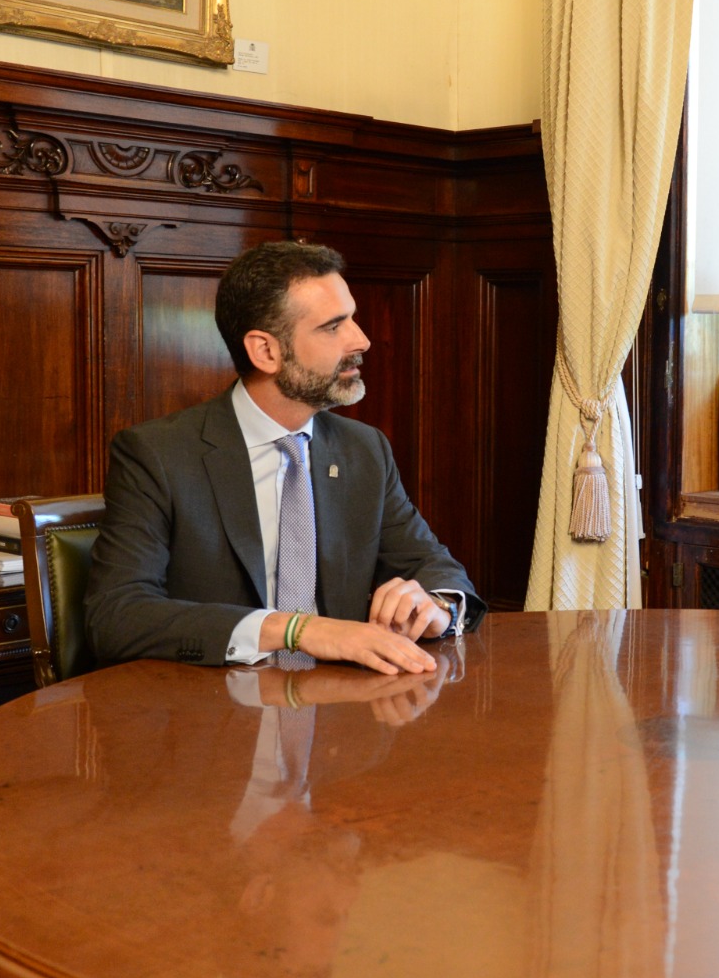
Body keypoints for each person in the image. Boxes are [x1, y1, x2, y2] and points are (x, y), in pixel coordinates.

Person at [87, 241, 484, 674]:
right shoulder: (158, 455)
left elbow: (432, 565)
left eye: (351, 317)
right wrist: (297, 630)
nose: (362, 340)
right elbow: (116, 616)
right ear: (266, 351)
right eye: (333, 327)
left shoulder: (363, 449)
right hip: (217, 716)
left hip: (346, 715)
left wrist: (436, 605)